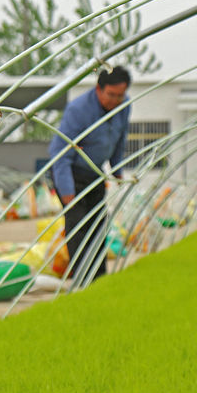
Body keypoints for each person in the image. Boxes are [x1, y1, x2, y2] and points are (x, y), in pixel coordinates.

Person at [46, 66, 132, 281]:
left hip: (95, 173)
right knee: (78, 227)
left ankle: (99, 277)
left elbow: (119, 140)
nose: (115, 100)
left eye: (120, 95)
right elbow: (60, 153)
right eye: (111, 95)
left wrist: (117, 170)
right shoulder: (79, 110)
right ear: (98, 89)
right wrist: (67, 192)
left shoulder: (124, 106)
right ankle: (82, 278)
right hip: (70, 173)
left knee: (98, 224)